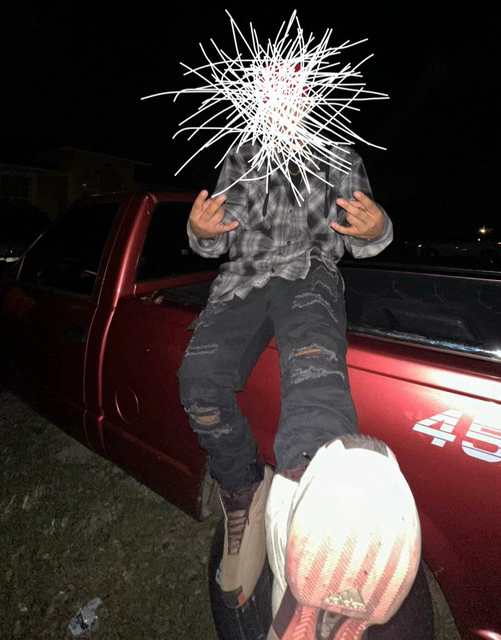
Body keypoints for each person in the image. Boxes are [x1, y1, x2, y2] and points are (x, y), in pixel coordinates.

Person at [176, 134, 421, 632]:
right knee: (198, 382)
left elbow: (364, 238)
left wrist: (379, 228)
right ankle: (243, 487)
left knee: (315, 381)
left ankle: (315, 547)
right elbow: (216, 237)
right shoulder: (242, 156)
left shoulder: (340, 156)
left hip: (310, 273)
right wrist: (199, 232)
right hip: (242, 280)